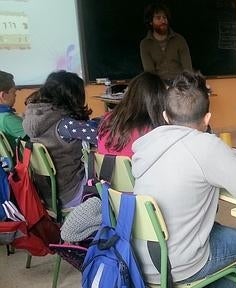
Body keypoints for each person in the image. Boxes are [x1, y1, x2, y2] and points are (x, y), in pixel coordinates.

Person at [131, 71, 236, 288]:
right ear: (207, 118)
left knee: (218, 231)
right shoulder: (206, 146)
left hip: (139, 257)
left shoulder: (146, 144)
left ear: (165, 116)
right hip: (176, 263)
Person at [23, 71, 97, 208]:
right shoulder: (66, 124)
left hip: (47, 195)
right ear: (72, 97)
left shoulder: (32, 117)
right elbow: (102, 139)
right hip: (71, 194)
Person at [97, 72, 167, 157]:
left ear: (129, 93)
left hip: (105, 169)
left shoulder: (107, 119)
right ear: (161, 99)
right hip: (133, 169)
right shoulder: (153, 132)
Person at [140, 3, 193, 83]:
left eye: (165, 17)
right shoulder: (145, 44)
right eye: (158, 18)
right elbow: (150, 74)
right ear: (150, 22)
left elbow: (188, 69)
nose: (163, 21)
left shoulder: (179, 40)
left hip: (180, 85)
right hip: (159, 87)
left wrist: (183, 86)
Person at [0, 70, 26, 150]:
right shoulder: (8, 119)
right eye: (13, 92)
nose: (15, 96)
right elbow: (37, 140)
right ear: (3, 96)